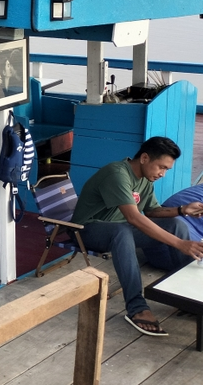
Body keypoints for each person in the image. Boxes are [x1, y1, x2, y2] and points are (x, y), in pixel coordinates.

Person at [71, 136, 203, 337]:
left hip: (118, 229)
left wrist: (182, 209)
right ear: (144, 158)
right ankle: (137, 307)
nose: (163, 174)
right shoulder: (117, 174)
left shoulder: (144, 179)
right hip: (86, 230)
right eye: (161, 167)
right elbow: (133, 218)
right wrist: (180, 244)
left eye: (167, 169)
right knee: (121, 231)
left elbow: (152, 212)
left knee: (175, 224)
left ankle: (187, 297)